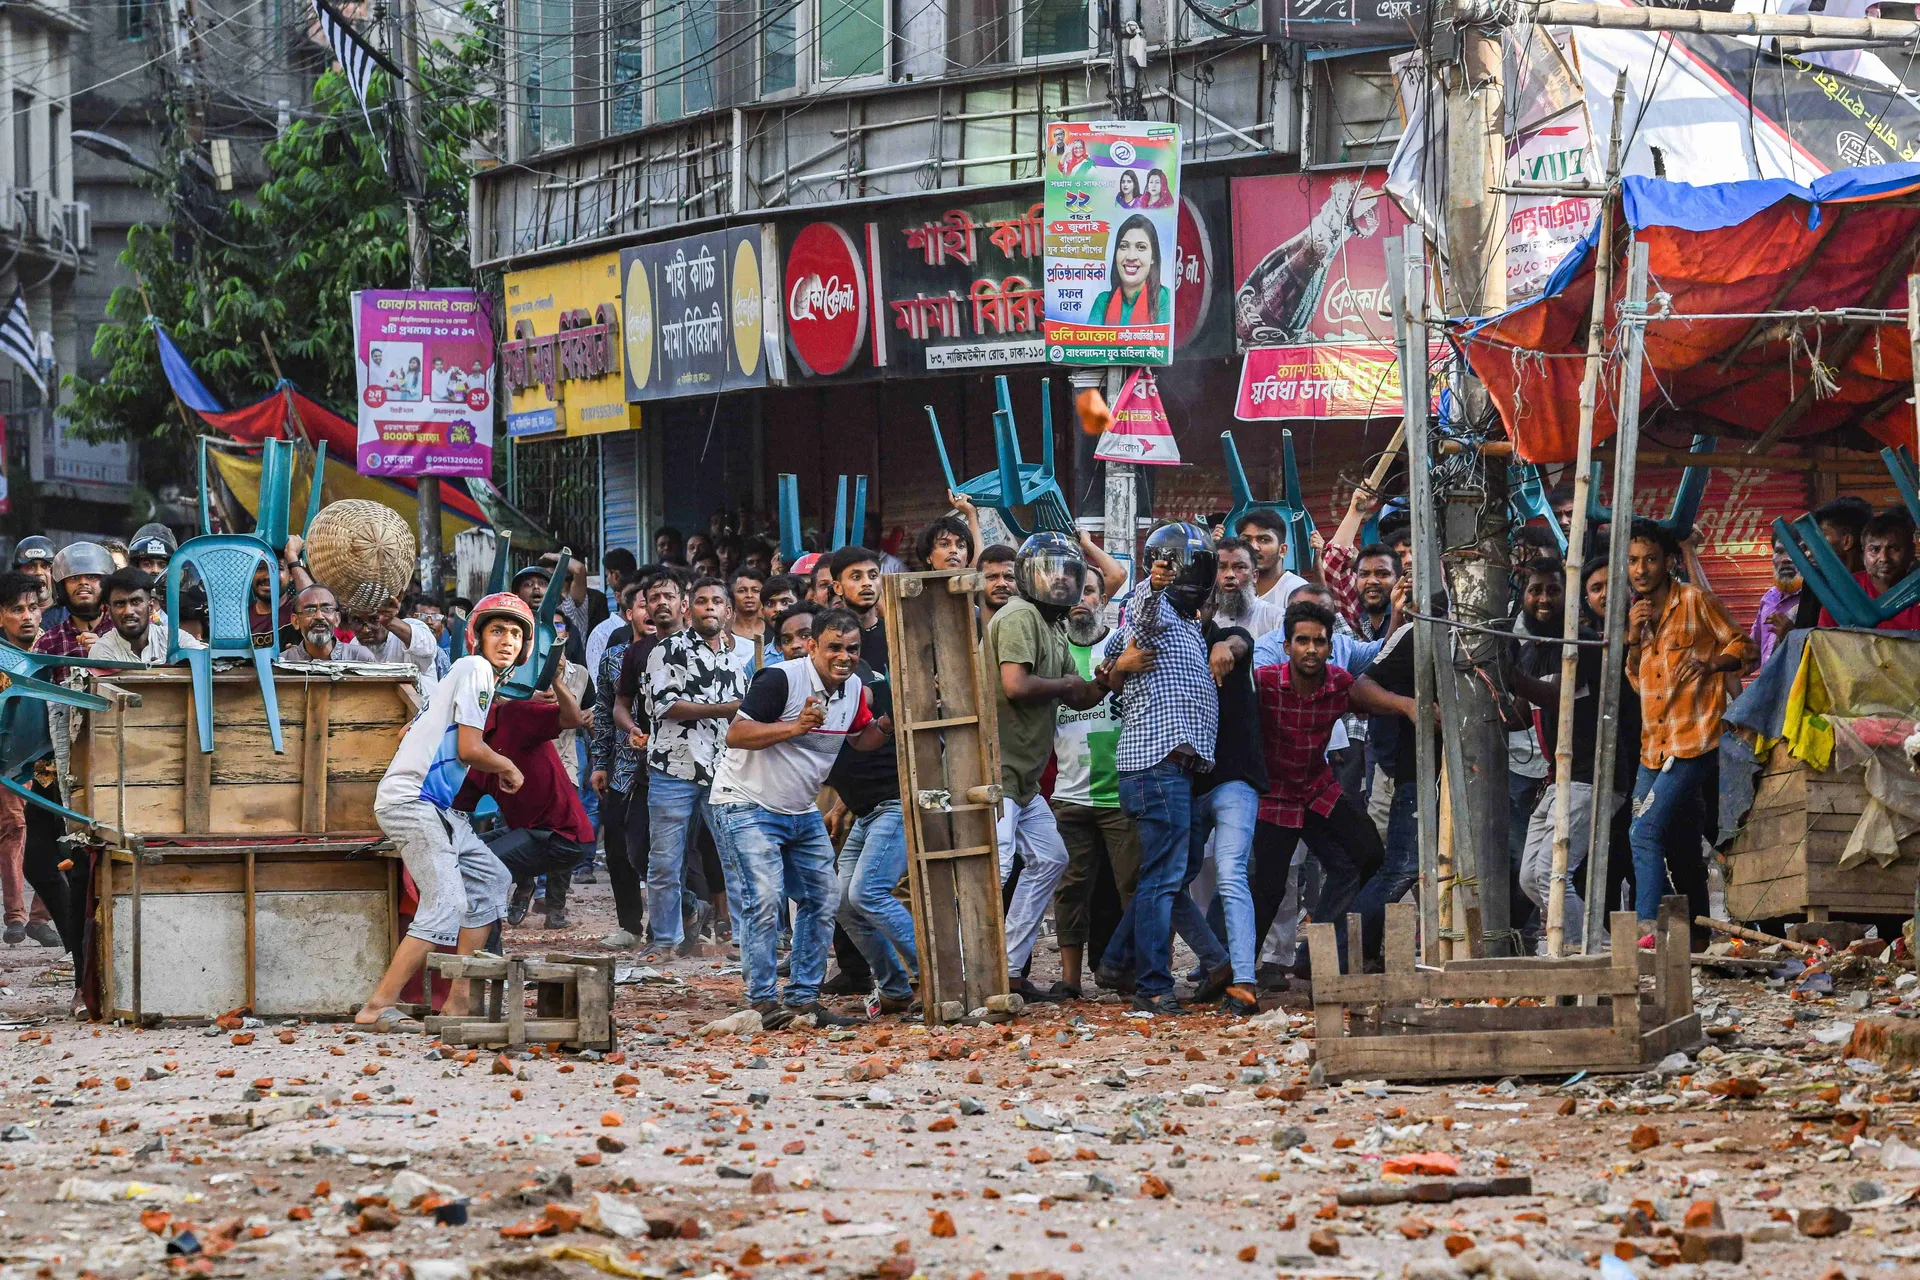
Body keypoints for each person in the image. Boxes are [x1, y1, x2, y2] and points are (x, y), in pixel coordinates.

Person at [708, 608, 894, 1028]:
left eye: (852, 649)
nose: (844, 657)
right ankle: (761, 1003)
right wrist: (794, 727)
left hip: (799, 808)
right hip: (746, 803)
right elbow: (736, 734)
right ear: (812, 646)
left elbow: (860, 740)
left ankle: (803, 1001)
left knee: (822, 897)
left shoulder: (853, 691)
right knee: (767, 898)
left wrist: (885, 723)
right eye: (834, 647)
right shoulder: (781, 679)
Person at [355, 593, 532, 1030]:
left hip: (434, 808)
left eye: (515, 633)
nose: (506, 640)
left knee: (492, 879)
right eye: (497, 631)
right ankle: (377, 1007)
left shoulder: (466, 675)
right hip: (413, 802)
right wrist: (507, 765)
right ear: (478, 636)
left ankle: (457, 1001)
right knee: (447, 901)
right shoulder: (474, 669)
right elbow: (471, 748)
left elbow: (417, 728)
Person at [1093, 523, 1221, 1014]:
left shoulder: (1188, 625)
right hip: (1157, 766)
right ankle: (1152, 986)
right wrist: (1155, 583)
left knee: (1168, 875)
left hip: (1174, 771)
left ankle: (1117, 964)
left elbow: (1114, 652)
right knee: (1162, 879)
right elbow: (1141, 620)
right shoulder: (1158, 611)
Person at [1252, 600, 1408, 969]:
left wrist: (1408, 706)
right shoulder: (1266, 683)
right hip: (1275, 797)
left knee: (1369, 855)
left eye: (1319, 642)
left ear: (1329, 646)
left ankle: (1334, 952)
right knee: (1268, 890)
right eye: (1302, 641)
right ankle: (1235, 972)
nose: (1311, 649)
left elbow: (1368, 695)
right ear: (1287, 645)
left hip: (1317, 789)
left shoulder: (1338, 682)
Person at [987, 533, 1105, 1002]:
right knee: (992, 870)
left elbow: (1075, 690)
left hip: (1025, 776)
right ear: (1026, 576)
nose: (1060, 581)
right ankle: (968, 965)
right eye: (1049, 571)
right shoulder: (1019, 615)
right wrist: (1066, 684)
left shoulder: (1055, 626)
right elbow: (1015, 685)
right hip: (995, 768)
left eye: (1068, 573)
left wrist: (1112, 675)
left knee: (1051, 859)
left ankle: (1009, 967)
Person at [1625, 518, 1753, 934]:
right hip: (1654, 748)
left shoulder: (1695, 600)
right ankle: (1686, 931)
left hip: (1694, 741)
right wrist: (1631, 639)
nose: (1641, 570)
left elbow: (1743, 645)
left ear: (1668, 563)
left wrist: (1712, 663)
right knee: (1654, 837)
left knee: (1644, 831)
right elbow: (1636, 681)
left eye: (1649, 560)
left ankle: (1648, 929)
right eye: (1632, 561)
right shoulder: (1638, 616)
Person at [1505, 556, 1630, 951]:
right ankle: (1596, 944)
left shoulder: (1584, 643)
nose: (1543, 598)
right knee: (1530, 878)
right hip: (1559, 778)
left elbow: (1558, 697)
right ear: (1523, 598)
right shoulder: (1531, 652)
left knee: (1551, 873)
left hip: (1592, 774)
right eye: (1535, 590)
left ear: (1568, 595)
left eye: (1552, 590)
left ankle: (1582, 950)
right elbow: (1520, 716)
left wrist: (1509, 674)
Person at [643, 576, 751, 952]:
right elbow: (666, 705)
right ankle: (665, 941)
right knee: (665, 864)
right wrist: (728, 709)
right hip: (673, 769)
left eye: (716, 602)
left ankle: (743, 940)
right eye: (701, 601)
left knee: (735, 858)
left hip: (724, 770)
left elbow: (745, 718)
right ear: (688, 608)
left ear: (727, 611)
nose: (709, 607)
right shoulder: (667, 650)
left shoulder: (736, 660)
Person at [456, 652, 592, 932]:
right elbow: (458, 810)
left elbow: (572, 718)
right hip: (526, 832)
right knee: (462, 856)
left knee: (478, 868)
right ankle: (483, 943)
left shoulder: (513, 715)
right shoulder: (466, 749)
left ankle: (487, 953)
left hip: (562, 836)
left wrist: (555, 680)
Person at [1048, 567, 1136, 1000]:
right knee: (1070, 890)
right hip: (1068, 793)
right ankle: (1069, 982)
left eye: (1089, 590)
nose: (1080, 599)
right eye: (1072, 591)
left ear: (1104, 597)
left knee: (1132, 887)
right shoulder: (1052, 651)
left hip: (1121, 794)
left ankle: (1135, 974)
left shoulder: (1121, 648)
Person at [591, 582, 653, 947]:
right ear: (629, 613)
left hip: (670, 766)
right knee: (616, 844)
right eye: (644, 605)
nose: (650, 611)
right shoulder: (614, 657)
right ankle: (629, 926)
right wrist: (599, 762)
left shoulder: (679, 653)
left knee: (651, 846)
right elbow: (602, 711)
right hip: (622, 767)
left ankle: (679, 917)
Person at [0, 572, 58, 949]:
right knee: (13, 829)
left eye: (34, 608)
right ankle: (15, 916)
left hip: (49, 757)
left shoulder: (55, 648)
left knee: (53, 832)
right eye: (17, 609)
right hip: (6, 760)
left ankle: (41, 916)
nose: (27, 616)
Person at [1817, 508, 1920, 631]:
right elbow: (1824, 643)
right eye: (1874, 550)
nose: (1883, 558)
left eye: (1893, 548)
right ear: (1863, 554)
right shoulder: (1843, 593)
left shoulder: (1916, 590)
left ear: (1911, 551)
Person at [31, 542, 116, 677]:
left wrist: (108, 653)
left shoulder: (124, 633)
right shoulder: (48, 643)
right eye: (74, 578)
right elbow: (34, 693)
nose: (83, 582)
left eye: (92, 576)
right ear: (62, 588)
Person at [89, 568, 203, 663]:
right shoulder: (102, 651)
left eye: (136, 602)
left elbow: (206, 664)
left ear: (150, 606)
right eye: (120, 604)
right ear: (109, 610)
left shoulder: (176, 639)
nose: (128, 611)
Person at [1794, 496, 1873, 627]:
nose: (1809, 552)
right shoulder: (1814, 585)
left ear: (1847, 541)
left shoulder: (1878, 585)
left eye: (1819, 539)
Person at [1087, 214, 1170, 326]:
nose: (1131, 256)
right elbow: (1091, 343)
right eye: (1124, 246)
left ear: (1153, 257)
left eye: (1141, 247)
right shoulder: (1103, 302)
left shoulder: (1165, 298)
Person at [351, 595, 444, 689]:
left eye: (374, 620)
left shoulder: (412, 626)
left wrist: (389, 621)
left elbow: (427, 648)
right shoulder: (354, 645)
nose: (365, 630)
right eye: (357, 621)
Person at [828, 546, 888, 674]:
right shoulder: (828, 636)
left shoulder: (894, 633)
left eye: (873, 575)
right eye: (856, 577)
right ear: (838, 587)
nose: (867, 583)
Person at [280, 585, 377, 663]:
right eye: (310, 610)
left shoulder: (360, 658)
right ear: (296, 621)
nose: (319, 616)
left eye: (327, 609)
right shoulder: (284, 662)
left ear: (337, 619)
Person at [1235, 510, 1307, 613]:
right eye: (1246, 540)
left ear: (1282, 550)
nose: (1253, 547)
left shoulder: (1297, 591)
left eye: (1264, 540)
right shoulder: (1234, 591)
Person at [1210, 536, 1282, 637]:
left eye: (1240, 567)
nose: (1230, 574)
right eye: (1221, 567)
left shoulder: (1276, 618)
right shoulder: (1201, 619)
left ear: (1254, 576)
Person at [1751, 529, 1804, 667]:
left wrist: (1792, 635)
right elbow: (1754, 650)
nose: (1786, 559)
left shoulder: (1816, 599)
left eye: (1793, 551)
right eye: (1779, 552)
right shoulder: (1769, 598)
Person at [729, 567, 769, 663]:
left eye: (755, 591)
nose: (749, 595)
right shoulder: (725, 632)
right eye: (742, 591)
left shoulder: (772, 629)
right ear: (732, 595)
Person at [977, 544, 1018, 630]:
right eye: (992, 577)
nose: (1002, 583)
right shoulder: (968, 627)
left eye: (1009, 577)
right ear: (978, 581)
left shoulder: (1031, 621)